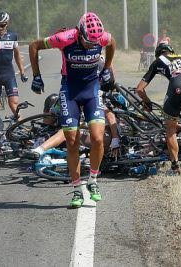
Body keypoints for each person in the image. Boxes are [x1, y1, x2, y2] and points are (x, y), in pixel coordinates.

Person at [29, 12, 116, 208]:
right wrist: (36, 75)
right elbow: (34, 45)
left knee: (98, 138)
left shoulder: (101, 37)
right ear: (80, 33)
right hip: (70, 92)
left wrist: (108, 68)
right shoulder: (64, 38)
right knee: (72, 141)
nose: (92, 46)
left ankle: (93, 181)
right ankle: (77, 189)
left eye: (95, 44)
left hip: (92, 91)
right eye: (88, 42)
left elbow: (112, 43)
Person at [135, 42, 181, 175]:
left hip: (177, 88)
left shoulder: (159, 61)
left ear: (158, 54)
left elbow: (139, 89)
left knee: (171, 127)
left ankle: (175, 167)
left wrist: (147, 102)